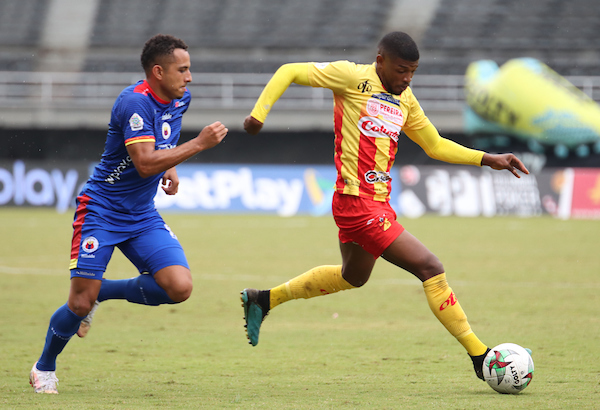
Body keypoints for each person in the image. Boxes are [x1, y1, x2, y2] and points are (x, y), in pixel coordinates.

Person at [240, 31, 529, 381]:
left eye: (413, 72)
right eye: (401, 70)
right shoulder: (350, 77)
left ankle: (264, 299)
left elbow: (435, 145)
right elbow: (289, 70)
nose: (407, 79)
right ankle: (480, 356)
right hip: (357, 203)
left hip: (376, 204)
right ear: (381, 61)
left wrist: (486, 158)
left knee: (353, 277)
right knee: (430, 267)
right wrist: (258, 114)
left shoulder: (406, 100)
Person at [29, 34, 228, 394]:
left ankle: (102, 292)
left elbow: (163, 139)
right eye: (182, 69)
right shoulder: (134, 103)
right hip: (101, 212)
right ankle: (44, 368)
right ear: (158, 71)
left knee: (179, 287)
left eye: (189, 69)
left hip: (141, 215)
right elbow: (144, 162)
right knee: (79, 302)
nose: (189, 77)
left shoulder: (179, 98)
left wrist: (172, 165)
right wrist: (199, 144)